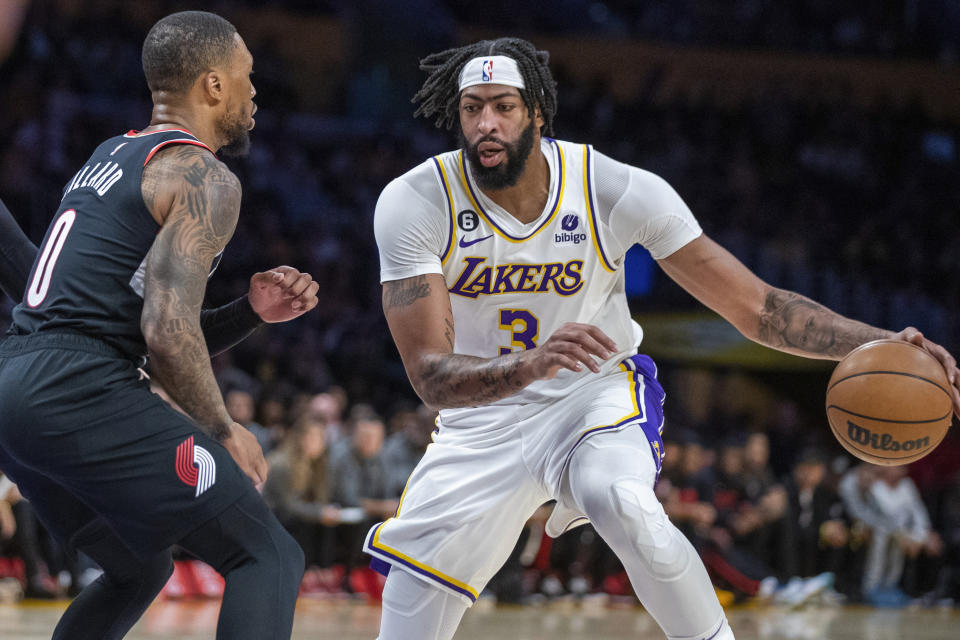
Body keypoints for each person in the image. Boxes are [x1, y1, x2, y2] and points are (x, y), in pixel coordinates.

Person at [366, 37, 960, 640]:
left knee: (624, 503)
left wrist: (881, 343)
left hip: (590, 397)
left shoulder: (613, 189)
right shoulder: (416, 201)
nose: (486, 124)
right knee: (413, 610)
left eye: (504, 106)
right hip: (481, 420)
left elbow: (757, 308)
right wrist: (530, 364)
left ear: (538, 111)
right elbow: (430, 376)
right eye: (472, 108)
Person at [0, 11, 320, 639]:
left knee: (137, 566)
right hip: (77, 387)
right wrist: (224, 428)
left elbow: (127, 322)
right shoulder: (203, 175)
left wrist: (249, 313)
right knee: (268, 554)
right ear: (214, 84)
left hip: (15, 385)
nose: (256, 92)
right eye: (247, 76)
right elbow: (166, 331)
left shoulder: (112, 154)